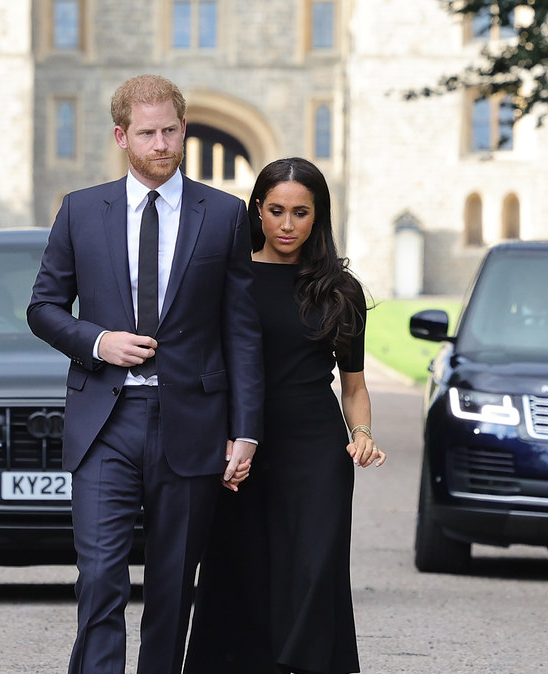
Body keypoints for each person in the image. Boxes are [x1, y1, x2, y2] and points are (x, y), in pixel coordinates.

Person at [27, 74, 264, 674]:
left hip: (192, 422)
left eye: (170, 131)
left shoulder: (226, 214)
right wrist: (98, 341)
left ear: (184, 129)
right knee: (101, 578)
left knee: (170, 587)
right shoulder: (81, 210)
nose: (161, 144)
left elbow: (241, 331)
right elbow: (43, 308)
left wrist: (247, 429)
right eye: (147, 133)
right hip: (105, 421)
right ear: (121, 136)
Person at [185, 157, 386, 674]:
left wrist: (361, 433)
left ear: (318, 216)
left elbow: (355, 386)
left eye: (301, 212)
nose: (288, 225)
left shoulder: (342, 291)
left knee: (315, 572)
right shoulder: (230, 278)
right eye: (276, 210)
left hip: (316, 451)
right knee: (238, 569)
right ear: (258, 209)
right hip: (241, 444)